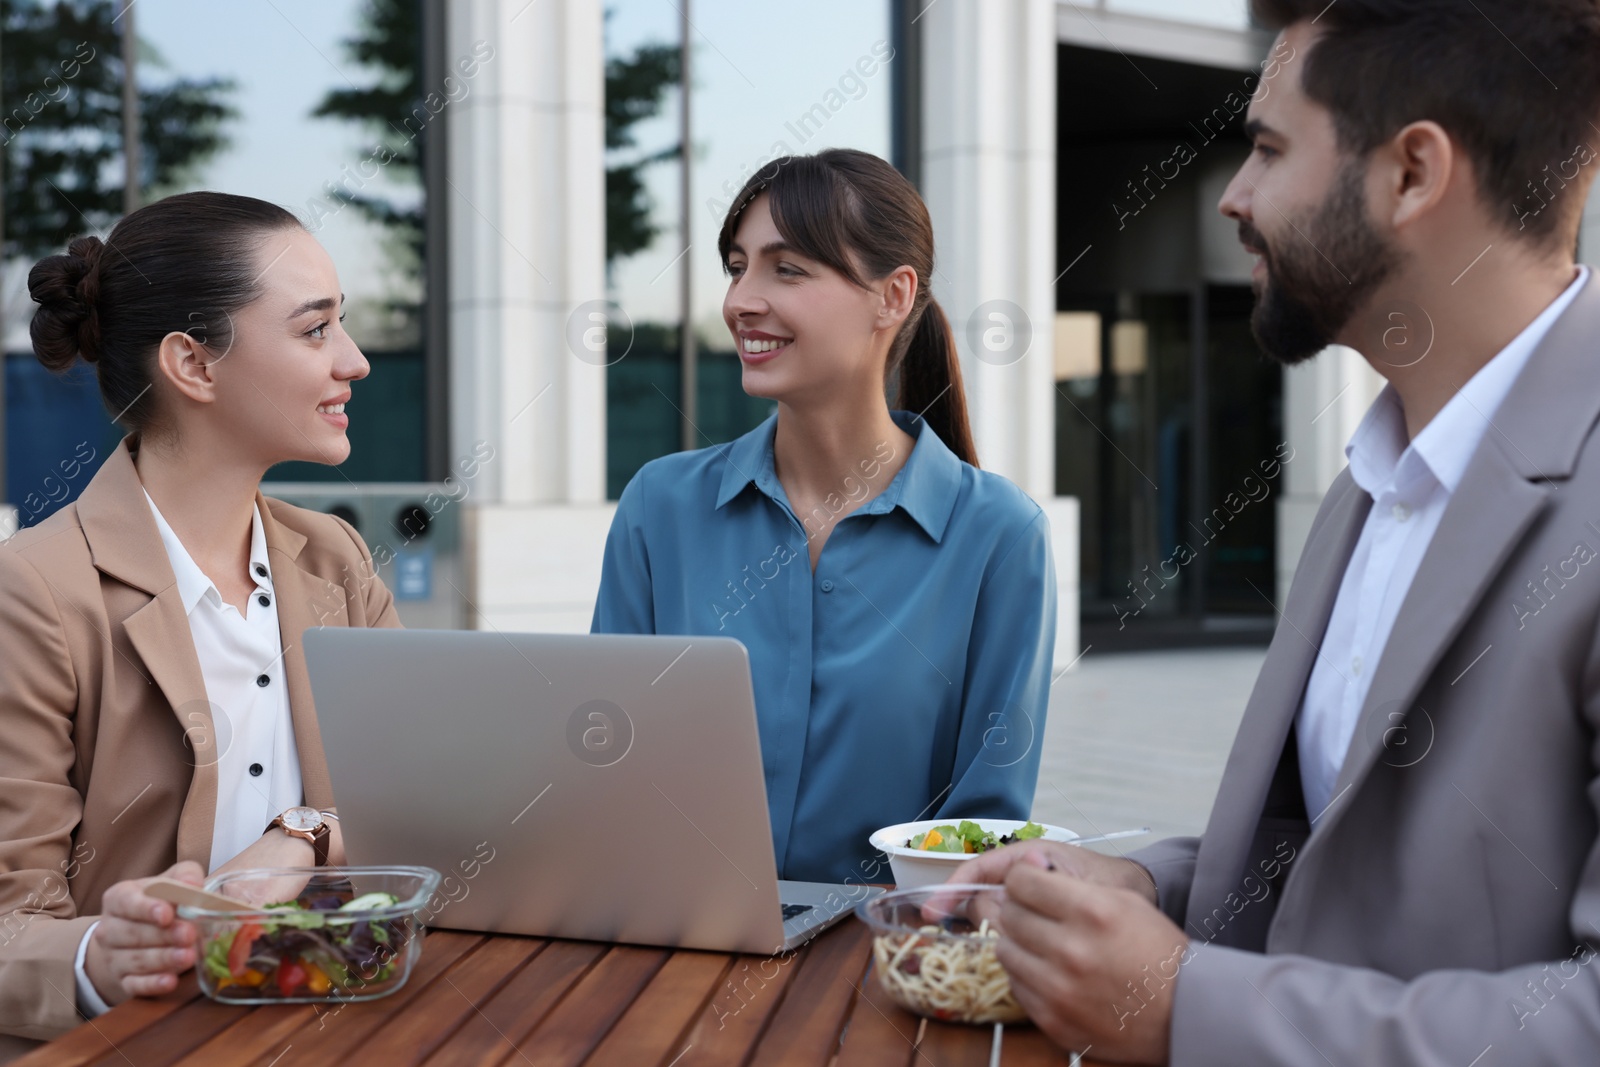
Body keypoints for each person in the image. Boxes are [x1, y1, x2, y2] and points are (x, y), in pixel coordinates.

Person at [955, 1, 1600, 1063]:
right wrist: (1146, 883)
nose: (1234, 199)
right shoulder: (1376, 475)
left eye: (1263, 148)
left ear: (1411, 174)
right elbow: (1337, 853)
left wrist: (1180, 1007)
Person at [0, 192, 399, 1056]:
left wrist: (300, 836)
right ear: (193, 363)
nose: (356, 360)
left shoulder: (337, 560)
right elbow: (9, 917)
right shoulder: (34, 591)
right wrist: (98, 955)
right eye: (314, 329)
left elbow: (424, 810)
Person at [592, 149, 1056, 884]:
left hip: (886, 962)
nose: (741, 299)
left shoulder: (999, 535)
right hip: (681, 948)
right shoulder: (660, 507)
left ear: (892, 296)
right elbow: (608, 769)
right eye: (737, 266)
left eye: (787, 269)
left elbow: (980, 831)